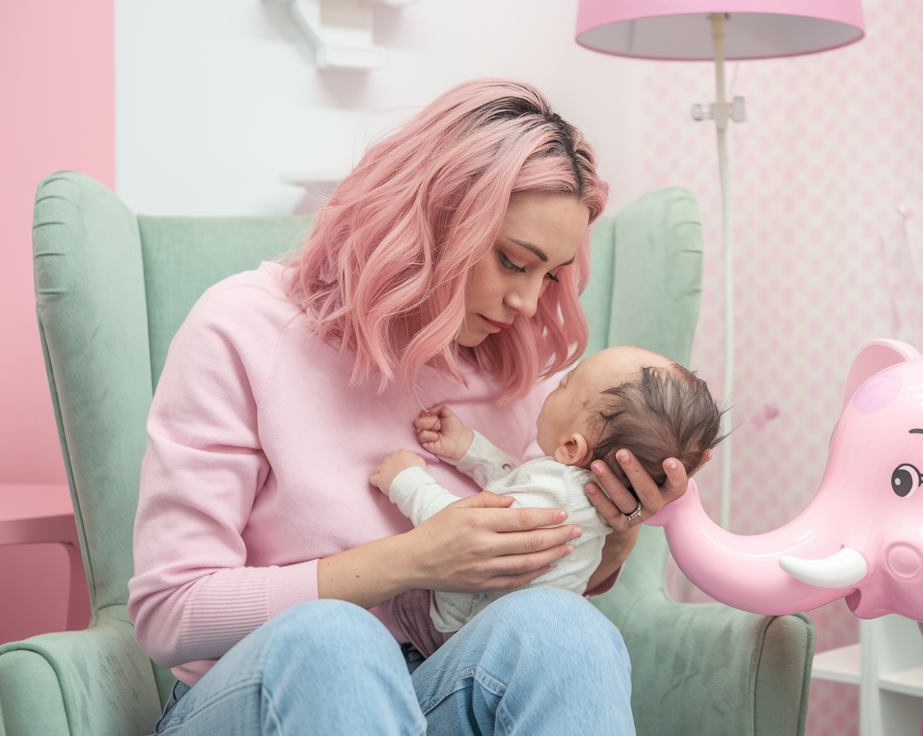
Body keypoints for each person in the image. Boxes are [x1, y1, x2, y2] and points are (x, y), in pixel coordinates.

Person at [127, 78, 692, 735]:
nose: (529, 305)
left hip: (429, 694)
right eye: (513, 262)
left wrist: (610, 536)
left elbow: (522, 600)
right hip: (265, 697)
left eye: (552, 275)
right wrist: (417, 559)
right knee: (335, 642)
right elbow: (170, 614)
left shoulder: (516, 370)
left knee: (564, 629)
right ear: (433, 221)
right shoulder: (243, 327)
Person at [369, 346, 722, 638]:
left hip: (455, 628)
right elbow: (516, 486)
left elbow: (464, 536)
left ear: (571, 446)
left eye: (563, 385)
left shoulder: (559, 495)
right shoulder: (582, 492)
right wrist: (467, 447)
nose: (553, 387)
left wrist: (407, 481)